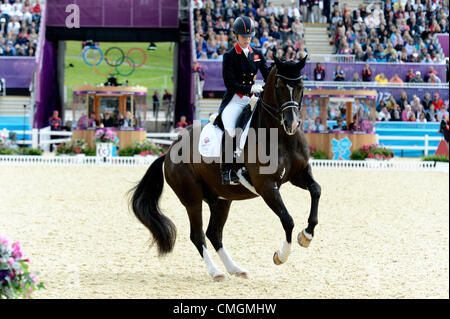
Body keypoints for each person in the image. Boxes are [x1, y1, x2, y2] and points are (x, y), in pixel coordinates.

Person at [213, 16, 271, 185]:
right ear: (236, 36)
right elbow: (229, 83)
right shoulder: (230, 56)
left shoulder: (258, 54)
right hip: (234, 100)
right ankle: (226, 170)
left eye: (249, 36)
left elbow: (267, 74)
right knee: (231, 129)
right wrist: (249, 89)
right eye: (243, 37)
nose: (247, 39)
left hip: (251, 100)